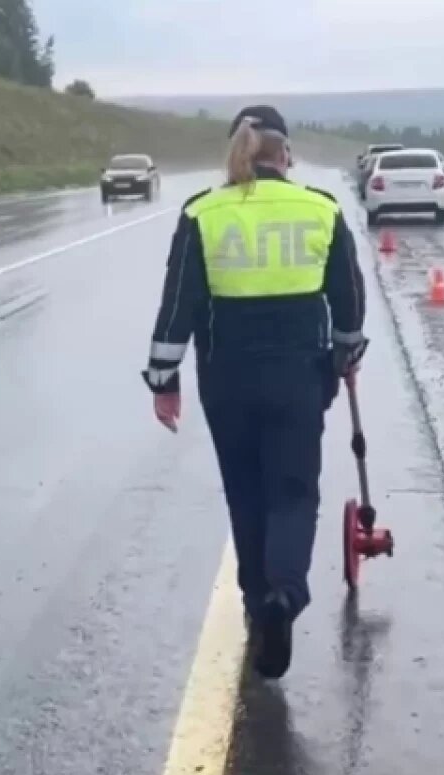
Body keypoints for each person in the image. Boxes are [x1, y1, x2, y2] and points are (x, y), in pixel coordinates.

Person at [140, 105, 368, 679]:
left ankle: (255, 602)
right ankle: (283, 596)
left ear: (236, 153)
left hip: (227, 381)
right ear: (286, 154)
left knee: (245, 494)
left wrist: (164, 380)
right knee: (292, 493)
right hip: (299, 380)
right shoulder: (320, 208)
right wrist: (346, 355)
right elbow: (348, 298)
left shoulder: (203, 212)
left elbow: (178, 305)